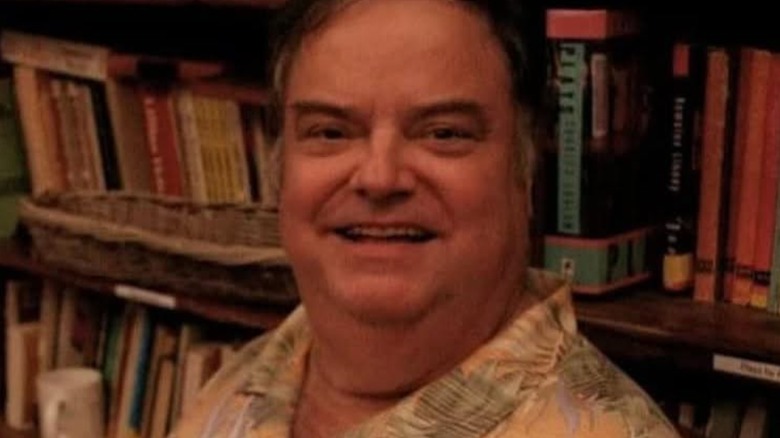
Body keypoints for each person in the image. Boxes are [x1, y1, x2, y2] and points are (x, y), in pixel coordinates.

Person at [172, 0, 680, 436]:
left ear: (527, 170)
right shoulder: (239, 382)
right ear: (281, 163)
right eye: (329, 132)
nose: (379, 176)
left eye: (443, 133)